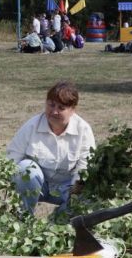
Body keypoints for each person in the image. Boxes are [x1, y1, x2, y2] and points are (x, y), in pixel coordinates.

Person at [7, 81, 95, 214]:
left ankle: (59, 223)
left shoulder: (83, 130)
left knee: (89, 192)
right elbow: (12, 159)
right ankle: (23, 218)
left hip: (67, 188)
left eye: (61, 108)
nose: (54, 111)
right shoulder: (31, 126)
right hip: (38, 187)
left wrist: (74, 195)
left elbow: (84, 168)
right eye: (51, 105)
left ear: (72, 110)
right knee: (24, 168)